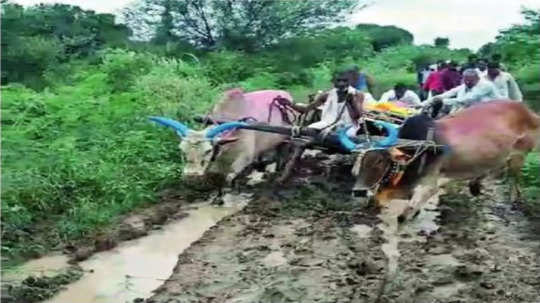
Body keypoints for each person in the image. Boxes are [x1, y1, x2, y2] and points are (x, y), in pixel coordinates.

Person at [426, 68, 502, 114]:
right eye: (466, 80)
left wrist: (442, 101)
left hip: (492, 111)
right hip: (474, 112)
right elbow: (450, 93)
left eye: (470, 81)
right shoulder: (465, 85)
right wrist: (425, 103)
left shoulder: (486, 85)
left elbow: (467, 99)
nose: (468, 83)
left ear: (477, 79)